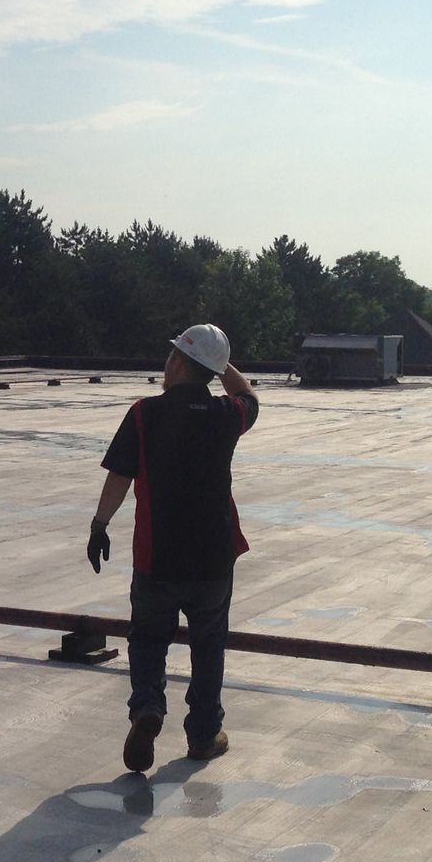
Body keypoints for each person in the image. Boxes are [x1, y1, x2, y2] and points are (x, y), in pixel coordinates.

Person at [87, 323, 259, 772]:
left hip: (157, 558)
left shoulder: (144, 414)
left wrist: (99, 525)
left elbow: (119, 476)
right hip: (213, 559)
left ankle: (147, 707)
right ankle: (204, 734)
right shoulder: (227, 415)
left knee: (147, 641)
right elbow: (249, 396)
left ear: (179, 362)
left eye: (171, 356)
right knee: (208, 646)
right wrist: (220, 365)